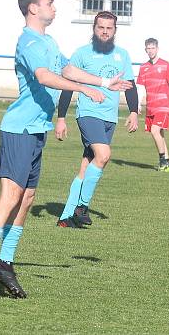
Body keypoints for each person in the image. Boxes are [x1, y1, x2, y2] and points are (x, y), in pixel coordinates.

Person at [0, 0, 131, 298]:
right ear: (33, 8)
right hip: (18, 130)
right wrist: (82, 91)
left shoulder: (48, 41)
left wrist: (104, 82)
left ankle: (5, 262)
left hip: (35, 131)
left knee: (26, 198)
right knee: (11, 194)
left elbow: (66, 68)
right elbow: (44, 76)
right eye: (50, 2)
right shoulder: (28, 41)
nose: (54, 7)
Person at [55, 11, 139, 228]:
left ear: (115, 30)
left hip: (109, 118)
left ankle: (65, 217)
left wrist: (133, 112)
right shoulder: (82, 54)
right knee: (103, 155)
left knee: (87, 166)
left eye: (109, 28)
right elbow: (68, 84)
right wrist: (61, 117)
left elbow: (130, 85)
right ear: (94, 28)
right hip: (88, 114)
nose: (104, 31)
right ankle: (82, 207)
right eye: (100, 27)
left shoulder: (122, 55)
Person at [136, 37, 169, 171]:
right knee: (159, 134)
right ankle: (167, 161)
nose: (150, 51)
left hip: (163, 106)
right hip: (151, 107)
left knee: (155, 131)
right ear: (145, 50)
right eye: (148, 48)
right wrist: (137, 104)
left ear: (157, 49)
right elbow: (140, 88)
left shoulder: (165, 65)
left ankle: (163, 161)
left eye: (152, 48)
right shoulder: (143, 67)